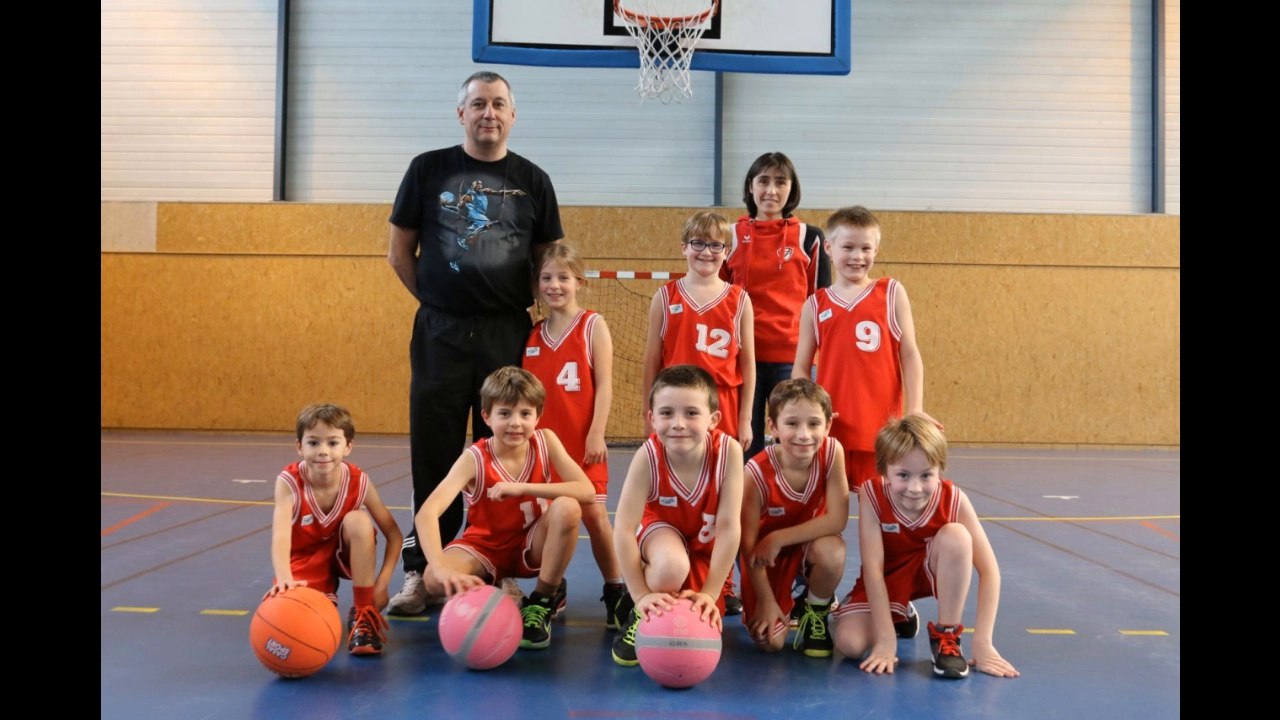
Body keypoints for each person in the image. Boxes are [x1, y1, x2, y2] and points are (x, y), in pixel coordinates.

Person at [386, 71, 563, 616]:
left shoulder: (533, 180)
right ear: (460, 113)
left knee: (507, 455)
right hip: (440, 333)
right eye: (479, 103)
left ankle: (501, 567)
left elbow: (548, 260)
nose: (489, 113)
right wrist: (442, 304)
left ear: (514, 116)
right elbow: (400, 254)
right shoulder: (427, 169)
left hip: (506, 332)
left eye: (499, 104)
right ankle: (422, 572)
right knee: (435, 457)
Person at [413, 367, 594, 650]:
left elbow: (587, 491)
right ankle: (486, 590)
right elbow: (427, 513)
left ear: (538, 416)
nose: (516, 423)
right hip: (484, 547)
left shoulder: (546, 442)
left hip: (530, 546)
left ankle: (544, 598)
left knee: (568, 508)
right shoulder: (474, 458)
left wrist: (524, 488)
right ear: (486, 416)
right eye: (505, 413)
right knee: (433, 582)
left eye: (525, 414)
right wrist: (438, 567)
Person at [833, 415, 1019, 679]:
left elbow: (990, 572)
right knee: (849, 644)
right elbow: (873, 569)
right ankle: (901, 614)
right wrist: (886, 640)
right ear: (885, 470)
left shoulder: (954, 499)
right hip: (887, 578)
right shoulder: (871, 495)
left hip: (930, 569)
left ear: (940, 470)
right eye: (903, 475)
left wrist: (983, 643)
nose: (915, 488)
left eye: (926, 475)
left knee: (957, 536)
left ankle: (947, 637)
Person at [641, 211, 754, 615]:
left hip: (721, 402)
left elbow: (748, 364)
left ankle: (721, 582)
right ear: (684, 247)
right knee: (673, 493)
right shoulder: (666, 296)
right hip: (674, 410)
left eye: (716, 246)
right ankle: (658, 559)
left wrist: (744, 419)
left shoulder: (739, 298)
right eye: (699, 243)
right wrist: (646, 409)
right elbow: (653, 357)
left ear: (728, 252)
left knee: (722, 499)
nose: (707, 252)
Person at [792, 205, 942, 492]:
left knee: (878, 507)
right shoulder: (814, 304)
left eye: (866, 248)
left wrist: (915, 408)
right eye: (847, 247)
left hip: (881, 426)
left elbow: (909, 353)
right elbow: (801, 365)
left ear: (877, 249)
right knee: (826, 506)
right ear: (829, 247)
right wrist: (808, 411)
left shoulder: (891, 292)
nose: (857, 256)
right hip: (831, 427)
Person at [522, 244, 632, 631]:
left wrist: (597, 432)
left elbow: (604, 386)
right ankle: (552, 589)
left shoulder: (592, 325)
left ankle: (616, 589)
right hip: (544, 452)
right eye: (547, 278)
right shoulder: (533, 334)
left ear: (580, 283)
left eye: (563, 278)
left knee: (596, 515)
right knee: (552, 520)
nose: (554, 285)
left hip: (583, 442)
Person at [611, 365, 744, 666]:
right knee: (671, 566)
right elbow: (623, 527)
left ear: (714, 420)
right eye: (667, 413)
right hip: (661, 536)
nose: (678, 423)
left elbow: (728, 529)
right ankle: (637, 610)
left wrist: (710, 592)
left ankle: (694, 589)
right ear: (651, 418)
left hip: (702, 545)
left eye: (691, 413)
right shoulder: (648, 455)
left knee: (701, 612)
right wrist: (640, 593)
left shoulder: (729, 453)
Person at [267, 404, 403, 656]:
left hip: (345, 554)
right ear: (299, 446)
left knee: (359, 520)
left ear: (348, 446)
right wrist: (284, 576)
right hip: (305, 561)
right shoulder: (288, 482)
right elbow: (280, 535)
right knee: (296, 628)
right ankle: (318, 600)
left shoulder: (358, 480)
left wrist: (381, 584)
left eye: (332, 443)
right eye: (313, 443)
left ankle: (363, 613)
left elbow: (394, 534)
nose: (323, 451)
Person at [722, 152, 830, 461]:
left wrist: (813, 359)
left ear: (791, 188)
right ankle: (746, 509)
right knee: (745, 446)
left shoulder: (810, 237)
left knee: (797, 444)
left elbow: (820, 303)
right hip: (743, 360)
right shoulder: (729, 236)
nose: (771, 190)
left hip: (792, 359)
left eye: (780, 182)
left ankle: (791, 506)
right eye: (764, 181)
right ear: (751, 186)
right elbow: (719, 299)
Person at [739, 379, 848, 658]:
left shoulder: (833, 452)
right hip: (765, 559)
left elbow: (837, 520)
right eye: (791, 424)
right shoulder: (755, 474)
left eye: (814, 424)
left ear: (828, 426)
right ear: (772, 427)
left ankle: (815, 613)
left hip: (802, 545)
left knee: (832, 551)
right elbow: (749, 547)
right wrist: (765, 600)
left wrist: (778, 537)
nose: (803, 434)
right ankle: (780, 597)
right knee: (769, 643)